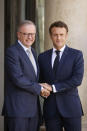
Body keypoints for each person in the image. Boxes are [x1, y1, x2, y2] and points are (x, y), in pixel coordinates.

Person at [2, 20, 52, 131]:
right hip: (18, 111)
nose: (30, 37)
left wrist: (45, 86)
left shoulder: (33, 52)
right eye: (26, 34)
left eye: (33, 34)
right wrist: (40, 88)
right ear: (18, 34)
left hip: (33, 110)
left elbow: (32, 78)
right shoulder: (12, 52)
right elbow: (17, 78)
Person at [38, 21, 84, 131]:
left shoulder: (76, 55)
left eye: (61, 34)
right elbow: (40, 80)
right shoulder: (42, 57)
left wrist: (53, 87)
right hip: (51, 109)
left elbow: (77, 80)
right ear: (50, 36)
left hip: (71, 108)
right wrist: (42, 90)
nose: (58, 38)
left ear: (66, 35)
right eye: (55, 35)